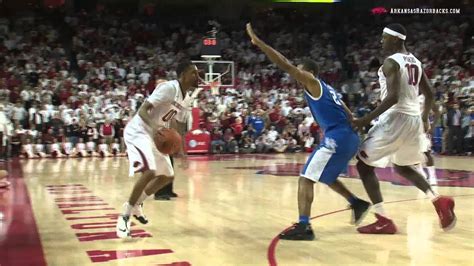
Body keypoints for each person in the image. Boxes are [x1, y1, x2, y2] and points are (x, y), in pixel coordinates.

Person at [247, 23, 370, 241]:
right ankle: (356, 202)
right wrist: (355, 124)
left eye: (300, 69)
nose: (297, 73)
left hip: (338, 136)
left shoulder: (312, 82)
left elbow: (284, 65)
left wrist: (259, 43)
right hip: (347, 136)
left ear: (309, 71)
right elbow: (346, 110)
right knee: (325, 175)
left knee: (305, 178)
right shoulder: (326, 88)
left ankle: (304, 225)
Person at [352, 24, 456, 234]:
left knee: (363, 166)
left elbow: (392, 97)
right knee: (402, 167)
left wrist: (365, 120)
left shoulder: (391, 62)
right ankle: (438, 201)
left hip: (395, 119)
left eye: (384, 38)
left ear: (396, 40)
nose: (381, 41)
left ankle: (383, 220)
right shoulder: (416, 62)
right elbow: (429, 94)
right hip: (413, 120)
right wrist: (425, 118)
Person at [116, 61, 198, 238]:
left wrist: (181, 151)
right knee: (150, 171)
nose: (197, 77)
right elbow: (143, 110)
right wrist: (155, 128)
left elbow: (179, 125)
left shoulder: (187, 97)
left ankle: (137, 204)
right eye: (193, 73)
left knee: (167, 176)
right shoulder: (169, 88)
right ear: (183, 75)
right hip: (139, 131)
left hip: (157, 134)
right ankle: (125, 215)